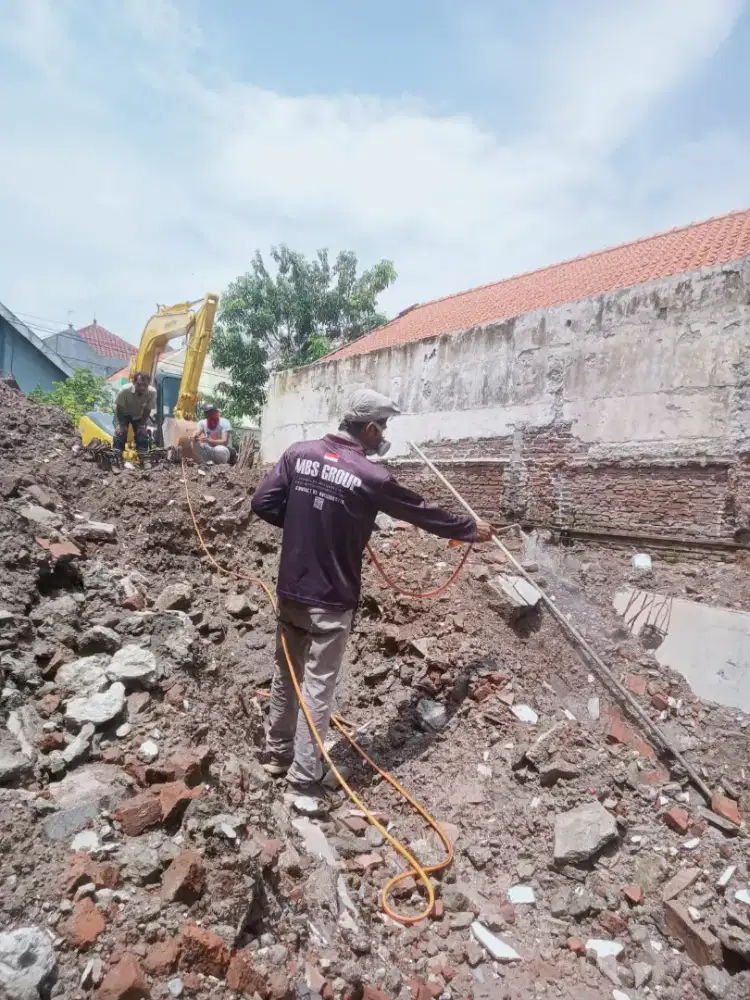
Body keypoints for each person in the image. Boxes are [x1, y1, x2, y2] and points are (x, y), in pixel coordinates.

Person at [251, 388, 493, 794]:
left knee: (286, 673)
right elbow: (421, 512)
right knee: (317, 686)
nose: (383, 434)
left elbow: (263, 503)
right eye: (382, 427)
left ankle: (277, 756)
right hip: (332, 599)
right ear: (367, 427)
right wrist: (470, 530)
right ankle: (305, 777)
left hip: (291, 592)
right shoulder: (371, 477)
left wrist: (303, 530)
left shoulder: (297, 454)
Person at [113, 371, 156, 457]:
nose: (142, 388)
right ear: (133, 382)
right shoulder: (125, 390)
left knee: (142, 435)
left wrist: (142, 425)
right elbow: (119, 408)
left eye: (145, 385)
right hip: (122, 414)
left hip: (138, 415)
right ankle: (116, 458)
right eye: (139, 384)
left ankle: (143, 458)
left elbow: (147, 410)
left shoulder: (152, 392)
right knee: (120, 433)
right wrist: (121, 425)